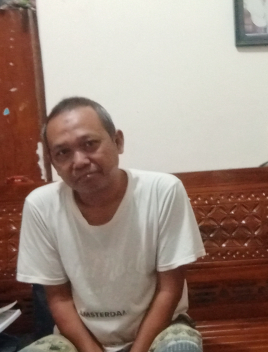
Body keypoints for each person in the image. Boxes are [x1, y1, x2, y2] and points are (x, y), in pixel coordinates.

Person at [17, 97, 206, 352]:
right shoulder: (41, 206)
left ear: (118, 141)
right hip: (79, 340)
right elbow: (59, 299)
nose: (79, 161)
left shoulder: (162, 191)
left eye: (90, 144)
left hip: (161, 330)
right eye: (63, 152)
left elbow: (169, 290)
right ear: (53, 161)